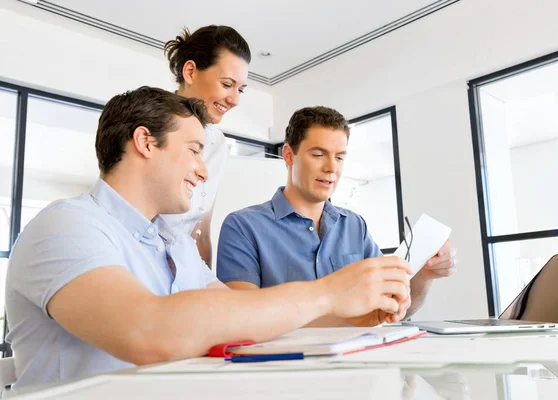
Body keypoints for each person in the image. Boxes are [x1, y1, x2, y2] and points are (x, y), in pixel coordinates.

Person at [4, 87, 412, 389]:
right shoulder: (66, 226)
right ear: (146, 142)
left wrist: (352, 310)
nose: (203, 171)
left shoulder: (174, 244)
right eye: (195, 150)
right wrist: (327, 293)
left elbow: (244, 313)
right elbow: (147, 333)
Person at [216, 106, 457, 324]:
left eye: (340, 157)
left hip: (356, 365)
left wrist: (425, 275)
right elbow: (243, 319)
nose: (332, 167)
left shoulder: (355, 225)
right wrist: (346, 312)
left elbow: (393, 308)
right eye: (318, 155)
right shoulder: (243, 226)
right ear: (289, 155)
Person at [161, 25, 251, 268]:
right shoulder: (149, 126)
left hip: (184, 272)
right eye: (227, 84)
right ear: (190, 71)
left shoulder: (218, 144)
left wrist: (203, 292)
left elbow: (200, 232)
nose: (235, 100)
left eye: (240, 89)